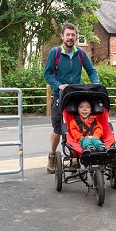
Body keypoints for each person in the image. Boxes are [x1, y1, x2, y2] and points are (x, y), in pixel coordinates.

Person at [43, 22, 99, 172]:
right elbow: (47, 74)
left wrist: (96, 84)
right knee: (58, 129)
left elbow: (91, 70)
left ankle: (75, 157)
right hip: (59, 96)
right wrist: (58, 86)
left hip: (76, 96)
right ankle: (52, 156)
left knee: (76, 127)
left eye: (73, 35)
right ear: (62, 36)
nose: (70, 37)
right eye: (67, 34)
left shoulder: (80, 54)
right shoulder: (55, 53)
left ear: (76, 37)